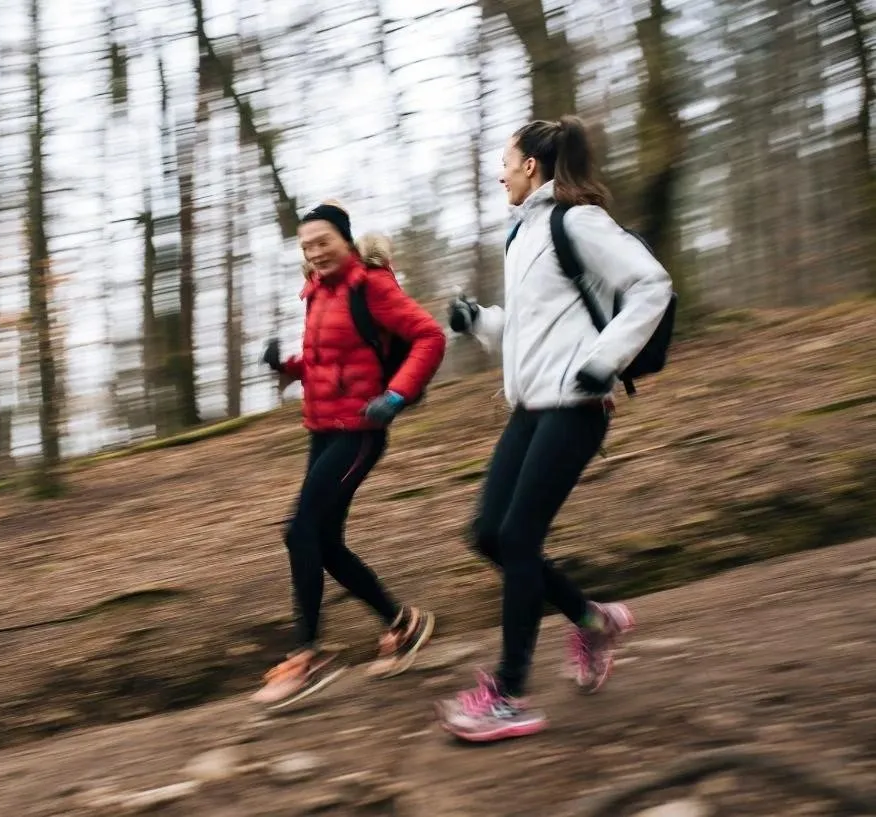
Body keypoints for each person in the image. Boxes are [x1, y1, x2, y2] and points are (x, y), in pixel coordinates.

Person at [437, 116, 673, 742]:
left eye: (506, 162)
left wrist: (605, 362)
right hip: (532, 407)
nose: (499, 172)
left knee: (517, 538)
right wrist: (480, 322)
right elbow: (533, 325)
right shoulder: (525, 234)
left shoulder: (578, 221)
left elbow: (652, 283)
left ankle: (509, 693)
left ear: (532, 167)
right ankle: (593, 622)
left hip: (576, 406)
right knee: (489, 534)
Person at [252, 201, 446, 710]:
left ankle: (306, 653)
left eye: (323, 242)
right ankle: (403, 623)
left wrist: (398, 395)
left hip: (361, 429)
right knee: (326, 543)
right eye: (307, 246)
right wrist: (288, 366)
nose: (315, 253)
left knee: (300, 531)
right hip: (322, 428)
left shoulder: (372, 286)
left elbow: (428, 336)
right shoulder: (316, 292)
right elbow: (330, 359)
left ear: (346, 240)